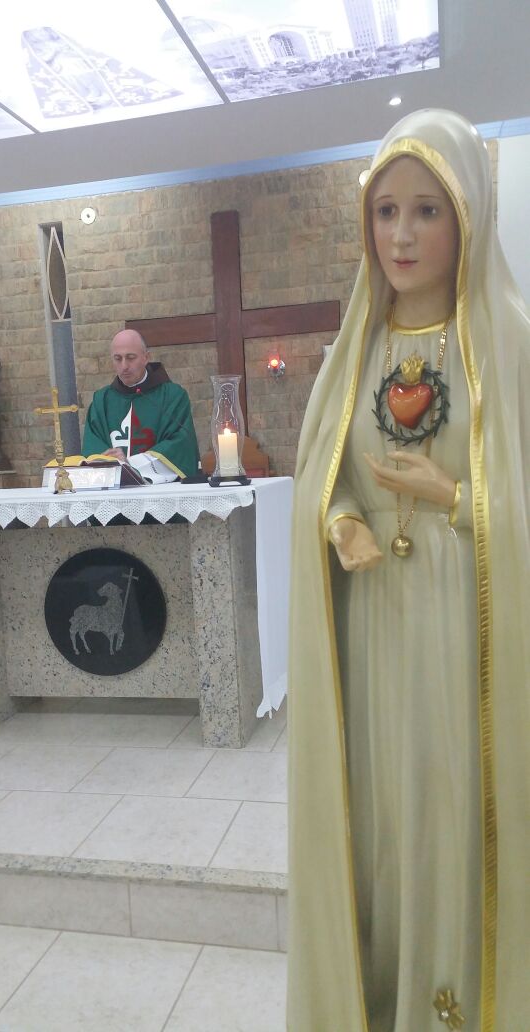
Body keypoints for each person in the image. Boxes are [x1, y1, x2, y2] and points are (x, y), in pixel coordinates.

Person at [288, 109, 529, 1032]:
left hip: (464, 624)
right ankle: (383, 998)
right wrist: (341, 520)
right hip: (374, 622)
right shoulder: (354, 349)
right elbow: (327, 477)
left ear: (468, 213)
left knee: (449, 807)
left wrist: (454, 496)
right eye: (385, 210)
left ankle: (457, 1002)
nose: (400, 234)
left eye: (426, 209)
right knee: (383, 811)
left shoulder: (505, 343)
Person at [82, 328, 199, 482]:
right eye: (118, 359)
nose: (124, 366)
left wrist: (130, 465)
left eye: (130, 358)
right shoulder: (101, 401)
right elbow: (92, 449)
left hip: (159, 490)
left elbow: (180, 445)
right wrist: (109, 461)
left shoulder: (172, 396)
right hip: (114, 490)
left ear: (146, 357)